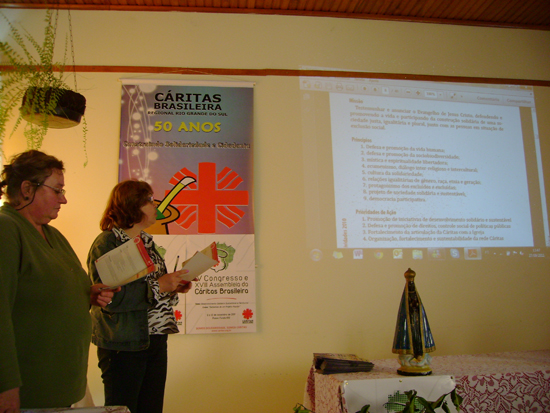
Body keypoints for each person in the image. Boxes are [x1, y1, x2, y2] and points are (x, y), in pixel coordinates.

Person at [0, 150, 117, 413]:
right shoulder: (6, 229)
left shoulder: (52, 234)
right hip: (28, 393)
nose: (63, 199)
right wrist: (5, 386)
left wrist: (89, 294)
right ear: (27, 189)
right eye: (57, 190)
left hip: (61, 389)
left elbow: (49, 290)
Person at [87, 180, 193, 413]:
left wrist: (173, 286)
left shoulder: (146, 241)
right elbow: (110, 298)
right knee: (123, 409)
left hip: (155, 339)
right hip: (124, 344)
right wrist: (160, 286)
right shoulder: (108, 243)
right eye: (148, 200)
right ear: (132, 205)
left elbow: (152, 290)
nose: (155, 205)